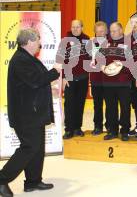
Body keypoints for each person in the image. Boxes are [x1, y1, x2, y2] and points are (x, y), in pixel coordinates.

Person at [0, 28, 62, 196]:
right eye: (37, 41)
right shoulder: (21, 60)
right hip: (26, 115)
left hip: (34, 113)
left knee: (38, 148)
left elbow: (31, 84)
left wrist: (50, 88)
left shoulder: (27, 58)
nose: (40, 44)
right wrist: (55, 71)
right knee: (29, 147)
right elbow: (36, 81)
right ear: (28, 42)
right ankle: (2, 179)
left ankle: (33, 182)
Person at [99, 22, 132, 141]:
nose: (112, 33)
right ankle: (112, 130)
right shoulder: (105, 43)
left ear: (121, 30)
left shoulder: (128, 43)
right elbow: (99, 58)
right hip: (108, 82)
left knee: (125, 107)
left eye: (114, 31)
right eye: (111, 31)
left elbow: (132, 62)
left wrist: (122, 66)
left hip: (123, 82)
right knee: (110, 107)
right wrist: (102, 66)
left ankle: (124, 131)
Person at [61, 20, 90, 139]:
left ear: (82, 27)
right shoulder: (65, 40)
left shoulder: (87, 39)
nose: (75, 29)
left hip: (83, 77)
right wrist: (63, 77)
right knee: (69, 104)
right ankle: (69, 129)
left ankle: (77, 128)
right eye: (73, 27)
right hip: (70, 78)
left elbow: (90, 57)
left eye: (78, 27)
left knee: (80, 103)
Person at [87, 21, 108, 136]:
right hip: (96, 78)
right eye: (97, 31)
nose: (99, 33)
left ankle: (110, 126)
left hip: (109, 78)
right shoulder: (90, 42)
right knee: (97, 104)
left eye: (102, 31)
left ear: (106, 31)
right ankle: (97, 126)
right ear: (94, 31)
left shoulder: (110, 42)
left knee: (110, 104)